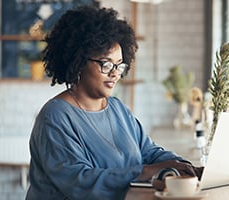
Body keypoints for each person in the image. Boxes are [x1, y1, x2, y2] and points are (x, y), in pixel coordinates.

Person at [26, 5, 203, 200]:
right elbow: (80, 182)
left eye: (119, 65)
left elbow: (149, 152)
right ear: (78, 62)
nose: (115, 73)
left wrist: (186, 167)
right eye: (106, 63)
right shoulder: (55, 116)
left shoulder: (118, 109)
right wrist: (147, 172)